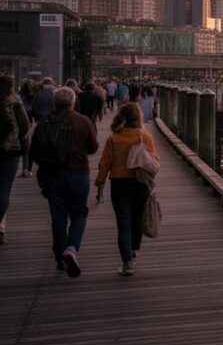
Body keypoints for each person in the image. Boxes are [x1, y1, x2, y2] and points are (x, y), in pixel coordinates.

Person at [30, 87, 98, 277]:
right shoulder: (83, 121)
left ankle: (60, 258)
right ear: (73, 102)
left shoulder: (44, 123)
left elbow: (34, 151)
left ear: (55, 103)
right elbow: (93, 148)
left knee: (58, 218)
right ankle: (71, 248)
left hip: (52, 175)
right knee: (79, 213)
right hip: (77, 173)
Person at [95, 103, 156, 276]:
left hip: (119, 184)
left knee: (123, 224)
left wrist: (100, 185)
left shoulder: (114, 139)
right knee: (137, 220)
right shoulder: (145, 137)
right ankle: (134, 248)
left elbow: (104, 164)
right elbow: (154, 160)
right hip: (140, 184)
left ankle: (127, 262)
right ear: (139, 118)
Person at [0, 76, 31, 244]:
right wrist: (15, 139)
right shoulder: (15, 103)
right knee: (4, 188)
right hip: (11, 150)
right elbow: (25, 127)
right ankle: (0, 227)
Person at [17, 79, 34, 177]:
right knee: (29, 149)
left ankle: (24, 169)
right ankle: (29, 169)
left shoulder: (18, 97)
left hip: (21, 124)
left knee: (25, 149)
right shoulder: (34, 96)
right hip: (32, 123)